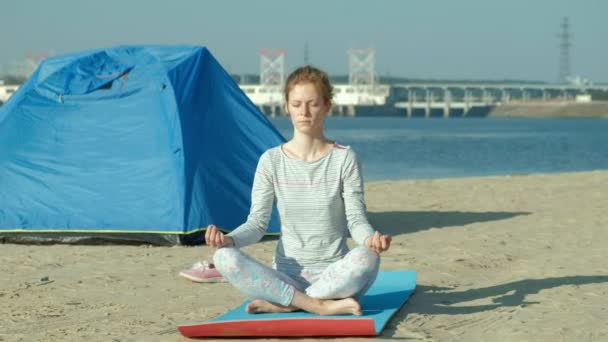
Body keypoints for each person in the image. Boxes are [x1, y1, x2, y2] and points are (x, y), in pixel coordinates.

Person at [206, 65, 391, 316]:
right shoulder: (271, 161)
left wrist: (370, 239)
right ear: (286, 107)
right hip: (285, 277)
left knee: (367, 258)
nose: (304, 112)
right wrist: (230, 239)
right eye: (296, 104)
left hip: (335, 280)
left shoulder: (345, 159)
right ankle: (316, 306)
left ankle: (288, 303)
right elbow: (257, 224)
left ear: (327, 106)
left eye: (313, 104)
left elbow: (356, 220)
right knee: (223, 257)